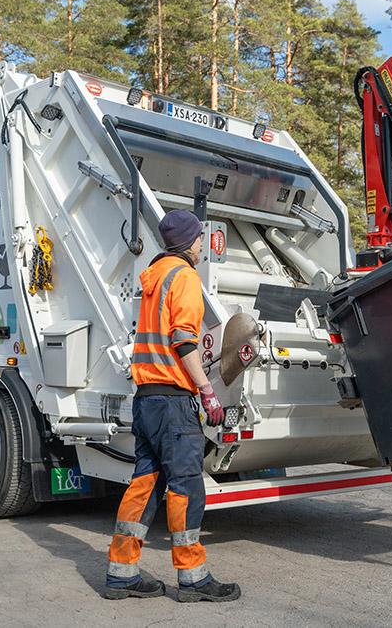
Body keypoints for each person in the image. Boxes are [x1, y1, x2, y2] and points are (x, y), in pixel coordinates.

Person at [104, 209, 241, 603]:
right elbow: (184, 339)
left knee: (145, 484)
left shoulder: (153, 277)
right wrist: (206, 390)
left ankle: (122, 573)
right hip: (173, 401)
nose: (202, 244)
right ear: (187, 241)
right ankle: (193, 578)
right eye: (199, 238)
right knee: (185, 487)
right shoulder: (183, 277)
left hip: (146, 400)